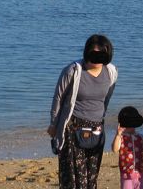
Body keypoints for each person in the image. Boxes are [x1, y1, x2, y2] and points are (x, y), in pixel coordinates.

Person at [48, 34, 118, 189]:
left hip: (97, 129)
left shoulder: (111, 72)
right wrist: (53, 124)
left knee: (91, 178)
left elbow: (106, 99)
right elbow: (58, 97)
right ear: (87, 52)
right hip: (73, 128)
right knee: (74, 180)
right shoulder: (73, 70)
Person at [112, 106, 143, 189]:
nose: (130, 127)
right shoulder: (121, 138)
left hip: (139, 174)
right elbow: (115, 149)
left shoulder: (140, 137)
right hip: (126, 174)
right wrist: (117, 135)